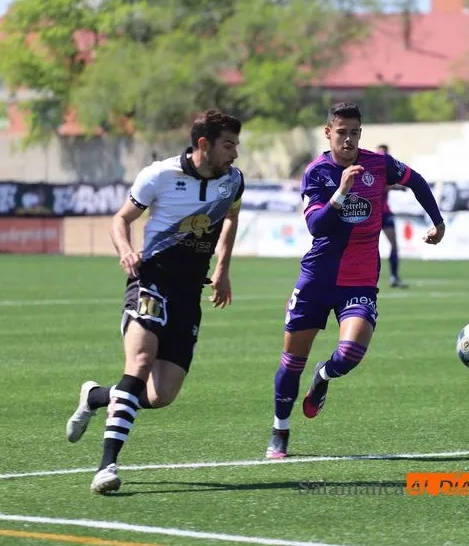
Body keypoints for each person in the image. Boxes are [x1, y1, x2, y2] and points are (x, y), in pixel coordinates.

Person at [65, 109, 245, 494]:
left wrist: (224, 268)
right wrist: (126, 251)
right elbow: (120, 218)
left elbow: (230, 217)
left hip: (188, 293)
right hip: (151, 283)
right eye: (228, 145)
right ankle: (107, 466)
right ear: (203, 144)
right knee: (140, 362)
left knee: (160, 395)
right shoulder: (159, 175)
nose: (235, 153)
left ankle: (96, 396)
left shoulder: (233, 181)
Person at [265, 102, 445, 459]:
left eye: (355, 133)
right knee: (291, 361)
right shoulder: (316, 173)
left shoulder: (378, 165)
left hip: (360, 279)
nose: (348, 140)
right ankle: (279, 431)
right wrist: (341, 191)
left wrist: (437, 221)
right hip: (318, 278)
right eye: (342, 132)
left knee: (349, 353)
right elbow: (316, 226)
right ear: (328, 133)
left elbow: (416, 181)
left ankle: (324, 376)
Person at [376, 143, 406, 288]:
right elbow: (388, 185)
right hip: (372, 214)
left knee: (394, 245)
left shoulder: (387, 170)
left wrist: (400, 185)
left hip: (385, 212)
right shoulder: (372, 170)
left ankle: (394, 276)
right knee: (369, 247)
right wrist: (398, 186)